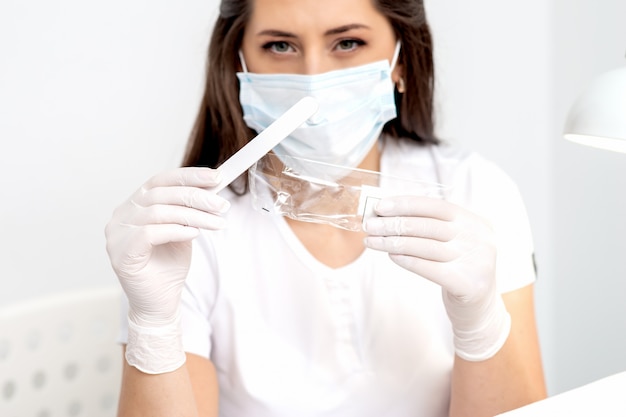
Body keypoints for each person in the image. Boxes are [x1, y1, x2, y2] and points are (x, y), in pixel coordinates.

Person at [105, 0, 548, 416]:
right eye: (280, 46)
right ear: (237, 64)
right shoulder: (190, 226)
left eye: (348, 43)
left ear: (402, 61)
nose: (312, 80)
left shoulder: (474, 191)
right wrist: (153, 328)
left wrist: (481, 326)